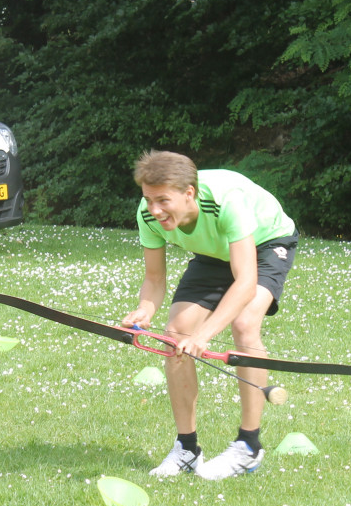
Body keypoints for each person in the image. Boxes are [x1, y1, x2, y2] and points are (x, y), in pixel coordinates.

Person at [122, 151, 298, 481]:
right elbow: (155, 279)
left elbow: (245, 281)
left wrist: (203, 336)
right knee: (174, 334)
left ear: (189, 193)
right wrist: (145, 310)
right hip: (213, 254)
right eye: (148, 200)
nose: (154, 210)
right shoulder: (148, 215)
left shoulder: (227, 201)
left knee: (245, 324)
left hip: (265, 243)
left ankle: (248, 446)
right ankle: (186, 449)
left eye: (163, 200)